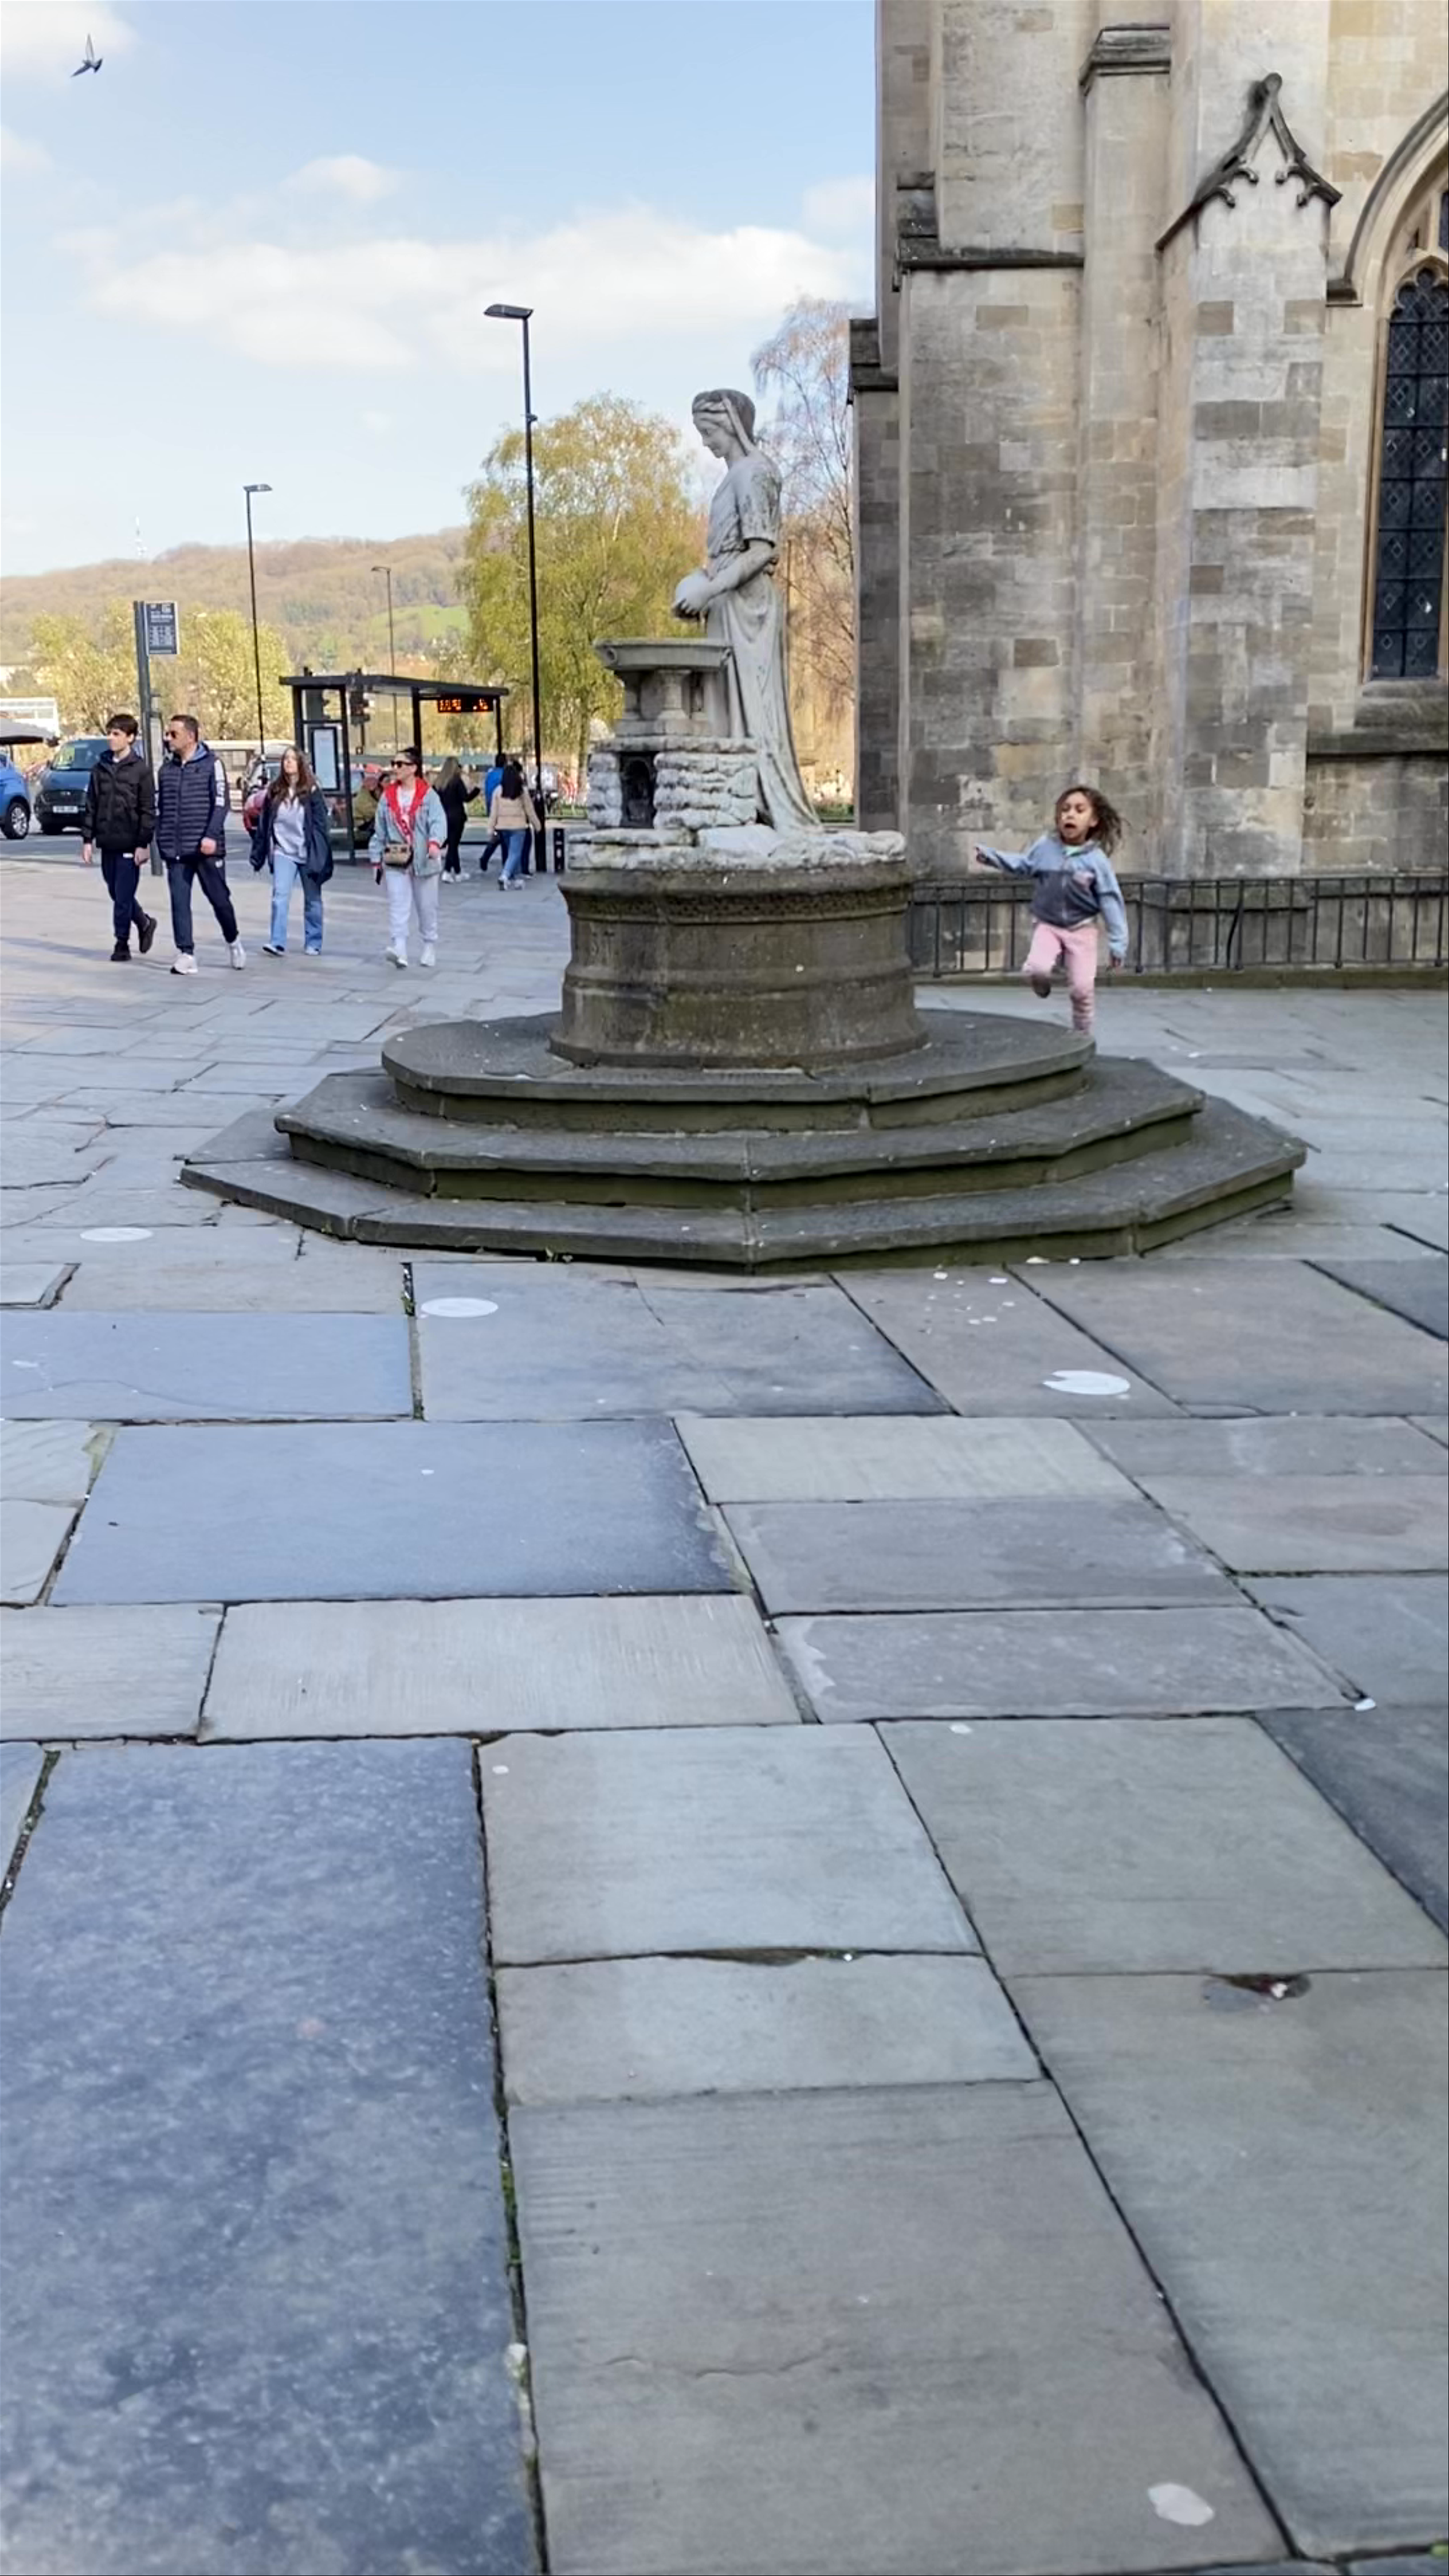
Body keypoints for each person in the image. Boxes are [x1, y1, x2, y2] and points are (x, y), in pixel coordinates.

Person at [673, 387, 817, 832]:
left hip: (746, 606)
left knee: (751, 703)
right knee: (725, 703)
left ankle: (757, 797)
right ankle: (735, 799)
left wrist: (711, 586)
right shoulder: (734, 476)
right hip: (726, 600)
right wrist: (699, 586)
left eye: (710, 430)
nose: (706, 442)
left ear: (732, 425)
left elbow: (759, 551)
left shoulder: (754, 473)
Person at [974, 784, 1128, 1036]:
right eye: (1065, 810)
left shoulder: (1096, 860)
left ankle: (1082, 1034)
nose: (1070, 815)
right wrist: (992, 857)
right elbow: (1024, 865)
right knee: (1037, 966)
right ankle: (1040, 981)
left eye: (1079, 810)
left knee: (1081, 990)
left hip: (1082, 929)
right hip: (1048, 924)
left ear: (1093, 820)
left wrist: (1119, 942)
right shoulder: (1046, 847)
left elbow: (1110, 899)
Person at [155, 713, 243, 976]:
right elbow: (160, 808)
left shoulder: (212, 765)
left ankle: (233, 940)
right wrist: (161, 838)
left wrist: (211, 836)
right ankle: (186, 952)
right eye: (168, 734)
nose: (168, 738)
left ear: (191, 736)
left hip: (206, 847)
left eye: (174, 734)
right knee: (179, 901)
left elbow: (221, 802)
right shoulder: (166, 770)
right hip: (176, 848)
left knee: (219, 899)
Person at [80, 713, 158, 962]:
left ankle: (121, 943)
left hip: (130, 842)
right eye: (110, 733)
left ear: (130, 738)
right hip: (107, 841)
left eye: (117, 734)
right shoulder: (100, 767)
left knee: (123, 895)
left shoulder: (141, 770)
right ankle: (144, 922)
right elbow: (92, 804)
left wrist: (143, 843)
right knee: (115, 891)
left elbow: (148, 810)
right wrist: (87, 840)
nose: (111, 738)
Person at [250, 745, 333, 957]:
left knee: (312, 899)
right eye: (286, 759)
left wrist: (322, 854)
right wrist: (258, 855)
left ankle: (314, 942)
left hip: (308, 851)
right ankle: (277, 942)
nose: (288, 763)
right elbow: (264, 824)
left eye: (293, 759)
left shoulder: (312, 791)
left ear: (300, 764)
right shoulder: (275, 791)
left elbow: (321, 825)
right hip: (283, 851)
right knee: (280, 896)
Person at [370, 744, 445, 967]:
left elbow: (439, 822)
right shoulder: (388, 796)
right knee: (398, 903)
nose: (395, 769)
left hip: (424, 860)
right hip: (397, 859)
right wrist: (376, 859)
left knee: (427, 906)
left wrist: (435, 843)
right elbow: (380, 830)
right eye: (394, 764)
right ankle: (399, 947)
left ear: (414, 768)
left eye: (400, 764)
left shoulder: (428, 796)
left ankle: (429, 945)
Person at [489, 758, 540, 888]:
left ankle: (516, 879)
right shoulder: (522, 791)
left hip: (503, 827)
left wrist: (491, 829)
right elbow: (530, 810)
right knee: (515, 853)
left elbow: (493, 813)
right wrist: (537, 825)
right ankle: (505, 876)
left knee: (511, 853)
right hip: (519, 827)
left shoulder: (498, 791)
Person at [435, 756, 478, 878]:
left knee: (452, 845)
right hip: (457, 817)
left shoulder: (439, 783)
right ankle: (448, 871)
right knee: (454, 845)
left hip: (443, 817)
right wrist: (476, 791)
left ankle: (457, 872)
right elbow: (466, 798)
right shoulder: (456, 781)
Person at [476, 751, 507, 874]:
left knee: (499, 836)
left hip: (492, 809)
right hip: (503, 809)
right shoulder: (505, 775)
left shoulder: (490, 775)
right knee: (504, 837)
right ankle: (505, 864)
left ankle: (486, 858)